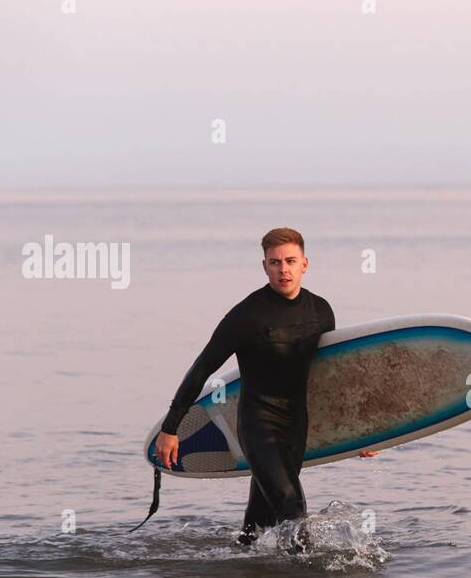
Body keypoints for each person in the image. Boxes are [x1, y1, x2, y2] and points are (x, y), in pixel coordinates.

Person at [155, 228, 375, 550]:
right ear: (264, 266)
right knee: (292, 507)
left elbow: (327, 379)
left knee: (257, 524)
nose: (283, 269)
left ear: (305, 264)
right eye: (275, 262)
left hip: (295, 424)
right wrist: (170, 427)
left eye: (290, 261)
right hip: (258, 422)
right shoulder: (247, 315)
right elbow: (203, 367)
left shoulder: (321, 311)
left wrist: (360, 432)